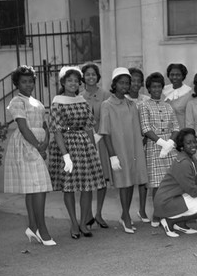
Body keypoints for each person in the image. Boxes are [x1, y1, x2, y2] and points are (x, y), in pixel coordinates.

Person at [49, 66, 106, 239]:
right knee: (70, 187)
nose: (73, 83)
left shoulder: (82, 100)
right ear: (63, 83)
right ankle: (74, 222)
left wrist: (93, 149)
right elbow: (56, 130)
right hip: (66, 144)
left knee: (87, 186)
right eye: (69, 80)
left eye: (75, 80)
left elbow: (89, 126)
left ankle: (83, 222)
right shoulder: (57, 101)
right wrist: (65, 155)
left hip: (84, 145)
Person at [4, 65, 55, 246]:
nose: (28, 84)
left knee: (35, 187)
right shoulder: (17, 102)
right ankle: (42, 229)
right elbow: (24, 128)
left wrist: (46, 142)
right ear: (17, 84)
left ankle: (32, 227)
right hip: (27, 145)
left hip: (39, 145)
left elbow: (45, 125)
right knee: (38, 187)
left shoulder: (37, 102)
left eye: (30, 81)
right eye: (23, 82)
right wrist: (38, 147)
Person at [99, 68, 149, 234]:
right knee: (123, 184)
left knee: (130, 183)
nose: (125, 86)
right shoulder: (107, 105)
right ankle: (126, 216)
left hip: (133, 149)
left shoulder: (132, 104)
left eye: (127, 83)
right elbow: (105, 132)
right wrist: (112, 156)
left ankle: (124, 214)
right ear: (114, 84)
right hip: (118, 149)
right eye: (121, 82)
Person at [139, 72, 180, 227]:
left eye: (159, 86)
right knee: (157, 184)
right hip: (154, 146)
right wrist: (162, 142)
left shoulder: (168, 106)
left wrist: (170, 142)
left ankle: (170, 213)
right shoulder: (144, 105)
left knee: (170, 182)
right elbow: (146, 128)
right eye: (153, 86)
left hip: (170, 147)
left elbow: (176, 126)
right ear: (149, 88)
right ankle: (157, 213)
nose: (156, 89)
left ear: (163, 88)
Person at [80, 62, 110, 229]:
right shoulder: (78, 96)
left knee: (102, 179)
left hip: (102, 140)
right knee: (88, 179)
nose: (90, 77)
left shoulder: (105, 95)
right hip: (84, 142)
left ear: (97, 77)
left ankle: (99, 213)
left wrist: (99, 135)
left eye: (93, 74)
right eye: (87, 74)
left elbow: (108, 118)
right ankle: (88, 215)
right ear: (83, 77)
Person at [125, 67, 150, 224]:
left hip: (144, 142)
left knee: (143, 179)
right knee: (127, 180)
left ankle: (142, 210)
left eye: (138, 80)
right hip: (127, 144)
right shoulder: (122, 99)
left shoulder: (146, 100)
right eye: (131, 80)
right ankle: (125, 213)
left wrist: (146, 138)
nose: (135, 83)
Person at [163, 63, 192, 129]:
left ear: (183, 76)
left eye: (178, 75)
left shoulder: (189, 92)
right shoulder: (163, 90)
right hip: (165, 130)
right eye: (172, 75)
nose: (174, 77)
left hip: (182, 130)